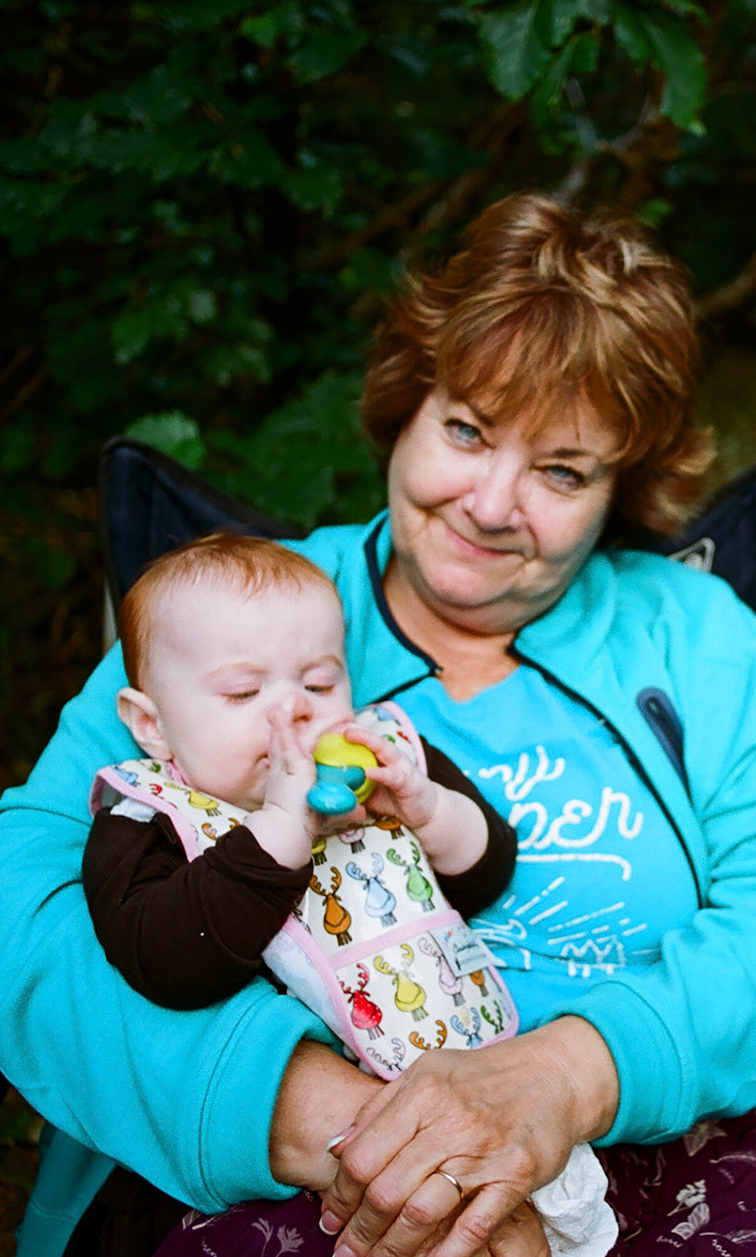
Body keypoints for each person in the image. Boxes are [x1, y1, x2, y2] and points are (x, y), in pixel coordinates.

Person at [0, 193, 756, 1257]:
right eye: (467, 429)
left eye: (562, 469)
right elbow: (13, 897)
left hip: (685, 1128)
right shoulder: (237, 625)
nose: (493, 505)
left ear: (620, 489)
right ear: (406, 407)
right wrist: (342, 1125)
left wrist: (565, 1077)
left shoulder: (692, 632)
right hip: (323, 1155)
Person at [79, 533, 615, 1255]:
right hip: (294, 1160)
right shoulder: (150, 818)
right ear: (152, 724)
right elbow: (166, 962)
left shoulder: (380, 757)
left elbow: (488, 870)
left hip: (471, 1083)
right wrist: (280, 829)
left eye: (320, 683)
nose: (294, 713)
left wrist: (429, 810)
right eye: (243, 693)